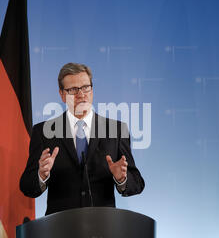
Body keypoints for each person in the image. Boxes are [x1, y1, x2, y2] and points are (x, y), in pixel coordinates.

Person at [20, 63, 144, 215]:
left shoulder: (117, 130)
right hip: (60, 229)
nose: (81, 94)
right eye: (73, 89)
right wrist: (41, 175)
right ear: (62, 94)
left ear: (92, 90)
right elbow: (27, 186)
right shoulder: (43, 132)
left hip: (103, 228)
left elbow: (137, 184)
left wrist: (122, 178)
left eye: (86, 87)